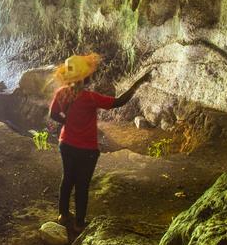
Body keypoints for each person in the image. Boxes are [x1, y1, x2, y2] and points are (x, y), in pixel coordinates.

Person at [48, 53, 151, 232]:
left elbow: (53, 115)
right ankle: (79, 224)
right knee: (82, 185)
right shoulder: (90, 98)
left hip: (66, 144)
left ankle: (63, 215)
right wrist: (139, 82)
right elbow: (120, 101)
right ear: (86, 77)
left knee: (67, 180)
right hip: (87, 149)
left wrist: (67, 122)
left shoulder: (61, 93)